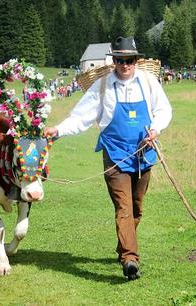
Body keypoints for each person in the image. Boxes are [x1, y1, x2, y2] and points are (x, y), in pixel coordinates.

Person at [44, 37, 172, 281]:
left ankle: (123, 246)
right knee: (123, 206)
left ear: (137, 60)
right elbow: (80, 117)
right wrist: (58, 130)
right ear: (114, 61)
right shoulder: (102, 86)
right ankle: (130, 259)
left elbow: (164, 110)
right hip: (114, 155)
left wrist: (155, 129)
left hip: (144, 155)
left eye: (130, 60)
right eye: (120, 60)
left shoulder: (148, 82)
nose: (125, 65)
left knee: (136, 208)